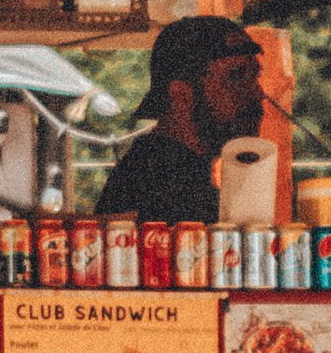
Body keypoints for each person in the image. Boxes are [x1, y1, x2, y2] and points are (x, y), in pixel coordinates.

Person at [92, 15, 266, 223]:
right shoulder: (159, 182)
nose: (258, 92)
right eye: (236, 77)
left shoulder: (169, 169)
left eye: (255, 75)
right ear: (182, 94)